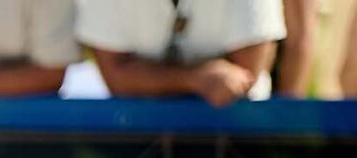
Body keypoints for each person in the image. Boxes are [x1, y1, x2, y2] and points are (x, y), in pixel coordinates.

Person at [78, 0, 284, 104]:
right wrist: (196, 79)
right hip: (137, 133)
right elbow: (117, 76)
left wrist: (151, 78)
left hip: (239, 135)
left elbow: (242, 77)